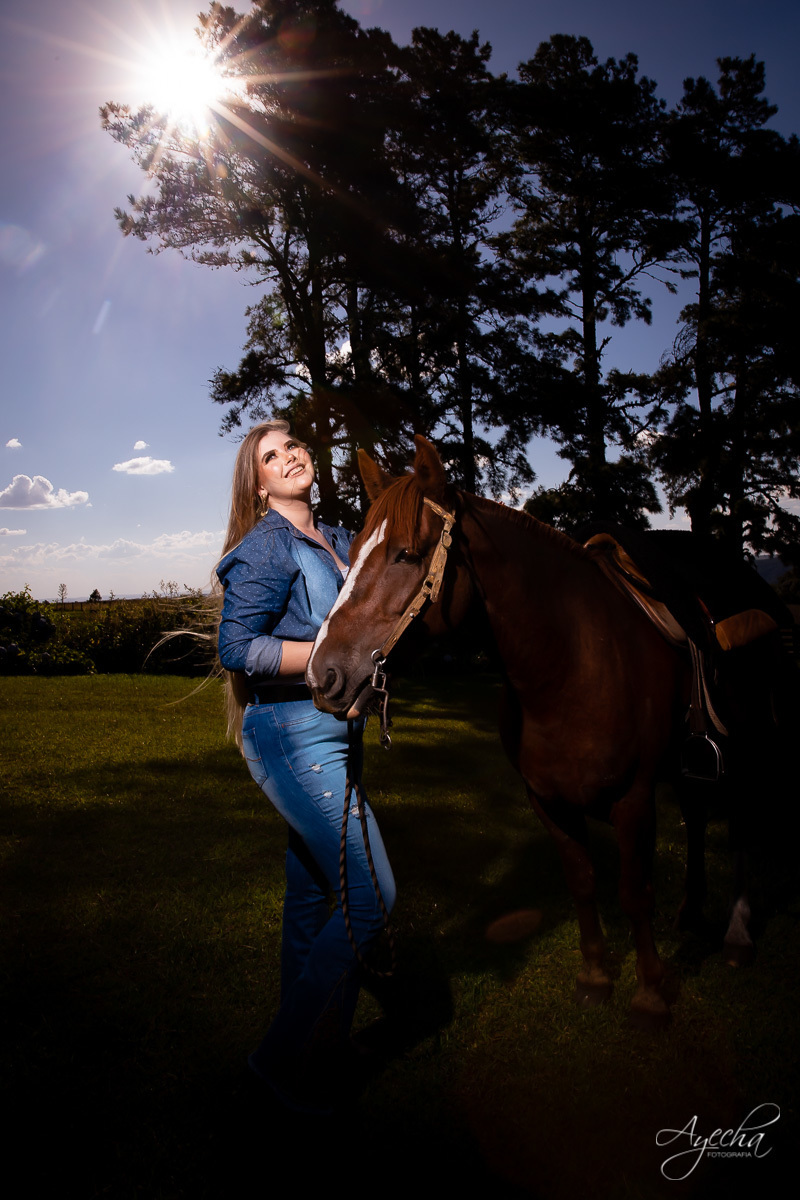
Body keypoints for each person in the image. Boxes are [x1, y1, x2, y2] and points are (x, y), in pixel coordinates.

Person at [216, 420, 396, 1110]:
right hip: (291, 736)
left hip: (335, 733)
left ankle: (325, 1045)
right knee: (372, 894)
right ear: (258, 483)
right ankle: (276, 1059)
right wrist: (327, 657)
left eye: (293, 444)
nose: (289, 455)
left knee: (313, 901)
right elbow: (241, 649)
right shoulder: (266, 547)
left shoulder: (338, 540)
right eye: (270, 455)